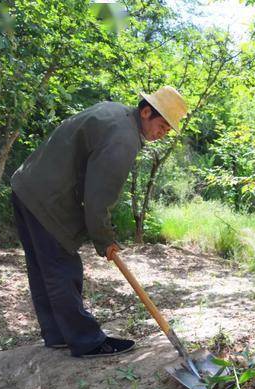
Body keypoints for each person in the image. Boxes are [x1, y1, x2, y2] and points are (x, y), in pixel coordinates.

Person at [10, 86, 187, 358]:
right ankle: (86, 340)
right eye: (162, 126)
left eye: (167, 130)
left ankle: (58, 333)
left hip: (26, 185)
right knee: (62, 268)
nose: (161, 134)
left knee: (42, 267)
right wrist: (105, 240)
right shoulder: (123, 138)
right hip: (46, 198)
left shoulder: (114, 112)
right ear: (146, 111)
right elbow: (98, 197)